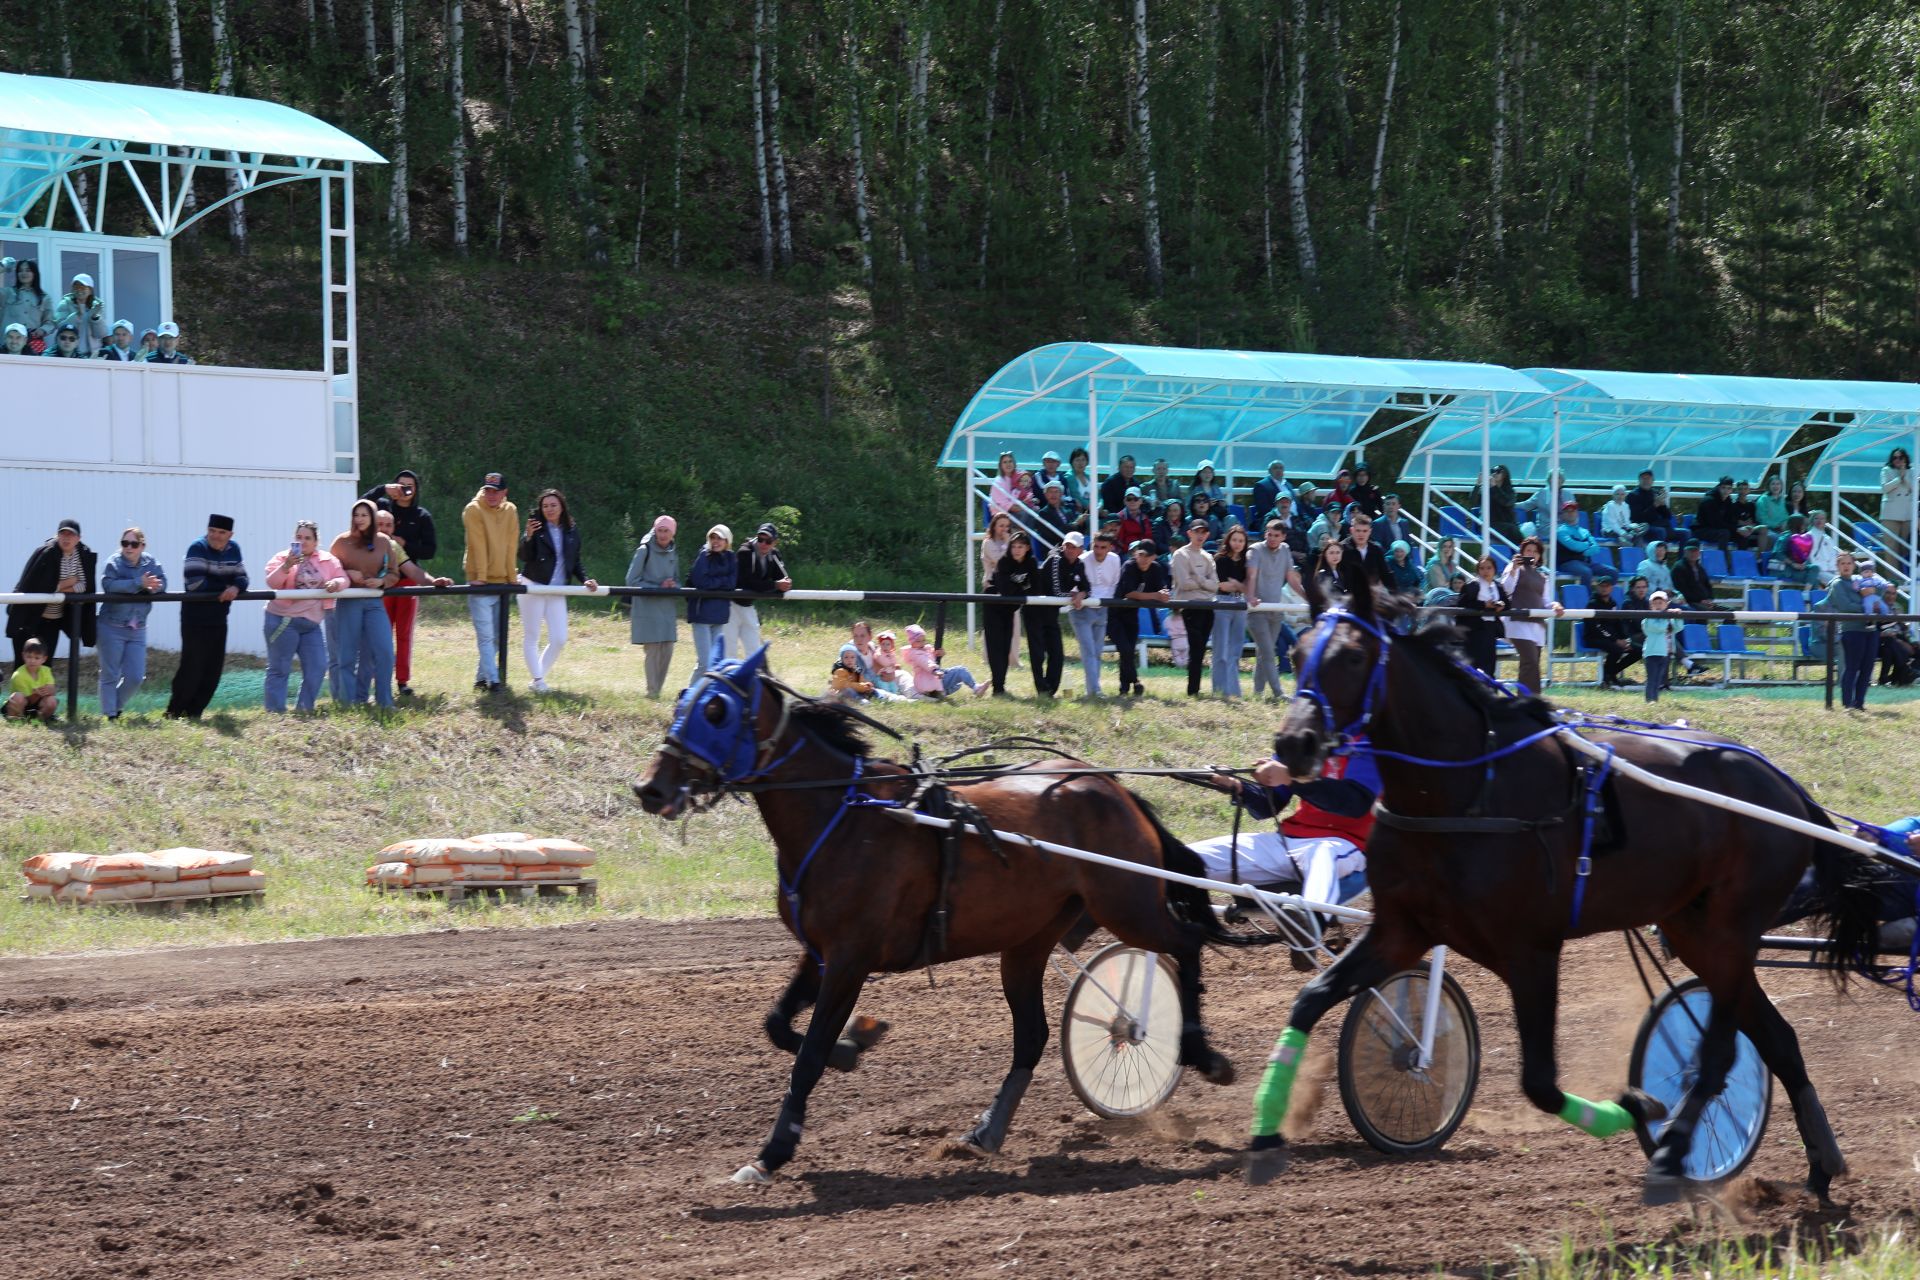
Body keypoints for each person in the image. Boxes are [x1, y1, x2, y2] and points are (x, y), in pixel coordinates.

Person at [1193, 752, 1376, 917]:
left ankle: (1311, 921)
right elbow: (1267, 805)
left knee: (1324, 853)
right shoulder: (1302, 745)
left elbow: (1352, 804)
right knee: (1182, 859)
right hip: (1287, 842)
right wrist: (1240, 787)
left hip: (1345, 845)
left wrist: (1291, 777)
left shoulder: (1374, 750)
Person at [363, 469, 438, 695]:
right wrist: (383, 490)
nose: (405, 490)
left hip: (407, 579)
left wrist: (405, 543)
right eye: (400, 485)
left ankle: (403, 680)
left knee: (404, 633)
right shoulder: (383, 507)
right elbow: (361, 506)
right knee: (379, 632)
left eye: (410, 486)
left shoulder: (422, 516)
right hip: (381, 580)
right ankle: (377, 678)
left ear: (415, 490)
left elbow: (430, 550)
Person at [166, 515, 247, 720]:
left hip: (219, 618)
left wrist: (236, 587)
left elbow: (243, 577)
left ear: (230, 535)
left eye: (221, 532)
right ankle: (175, 712)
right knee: (192, 668)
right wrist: (226, 587)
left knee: (213, 670)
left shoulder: (234, 549)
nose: (216, 536)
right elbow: (195, 583)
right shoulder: (197, 548)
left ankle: (195, 712)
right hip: (195, 619)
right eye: (212, 531)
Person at [261, 521, 348, 714]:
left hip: (311, 623)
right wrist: (286, 566)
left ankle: (304, 708)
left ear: (316, 541)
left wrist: (335, 583)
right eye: (299, 537)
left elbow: (344, 579)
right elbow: (271, 582)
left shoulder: (328, 560)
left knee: (318, 666)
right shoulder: (282, 557)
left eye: (308, 538)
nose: (303, 541)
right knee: (280, 668)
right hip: (283, 620)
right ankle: (275, 713)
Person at [518, 488, 600, 693]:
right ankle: (538, 680)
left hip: (557, 588)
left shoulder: (571, 530)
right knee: (532, 635)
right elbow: (524, 557)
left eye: (553, 505)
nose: (549, 509)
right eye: (545, 506)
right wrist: (527, 536)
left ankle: (537, 680)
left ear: (562, 506)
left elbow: (575, 561)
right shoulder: (535, 527)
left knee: (559, 638)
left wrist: (585, 579)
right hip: (533, 585)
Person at [330, 499, 403, 709]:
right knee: (347, 655)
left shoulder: (383, 542)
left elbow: (394, 573)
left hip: (374, 601)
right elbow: (329, 570)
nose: (359, 519)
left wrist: (381, 582)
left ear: (372, 517)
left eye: (364, 515)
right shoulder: (341, 542)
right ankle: (348, 703)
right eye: (356, 515)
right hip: (349, 601)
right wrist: (346, 573)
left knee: (385, 651)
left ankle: (384, 701)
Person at [97, 527, 166, 720]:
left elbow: (163, 583)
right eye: (124, 543)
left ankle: (114, 707)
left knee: (136, 676)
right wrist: (138, 584)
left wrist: (152, 588)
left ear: (142, 546)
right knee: (110, 673)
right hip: (111, 626)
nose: (129, 547)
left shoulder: (151, 562)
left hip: (138, 628)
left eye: (134, 544)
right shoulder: (113, 563)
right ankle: (110, 715)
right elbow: (109, 585)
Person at [7, 518, 95, 669]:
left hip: (54, 620)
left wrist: (59, 588)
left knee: (45, 667)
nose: (66, 538)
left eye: (71, 534)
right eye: (63, 534)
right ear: (57, 535)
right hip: (30, 619)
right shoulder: (47, 553)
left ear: (78, 538)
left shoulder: (82, 555)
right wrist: (69, 582)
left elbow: (85, 585)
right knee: (23, 666)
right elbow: (41, 586)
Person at [463, 471, 519, 692]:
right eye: (487, 490)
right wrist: (481, 577)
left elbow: (511, 544)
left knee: (496, 637)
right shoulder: (473, 510)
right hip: (480, 582)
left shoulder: (511, 510)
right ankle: (494, 682)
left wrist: (512, 578)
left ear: (504, 492)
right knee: (486, 636)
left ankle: (481, 678)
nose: (491, 495)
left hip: (502, 582)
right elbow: (477, 544)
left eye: (496, 491)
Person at [1246, 519, 1303, 699]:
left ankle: (1257, 693)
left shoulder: (1285, 550)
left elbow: (1292, 579)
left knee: (1264, 653)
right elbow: (1252, 575)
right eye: (1269, 534)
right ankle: (1278, 693)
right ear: (1265, 534)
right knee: (1269, 652)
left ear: (1283, 537)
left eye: (1276, 535)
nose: (1272, 538)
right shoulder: (1255, 549)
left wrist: (1309, 598)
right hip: (1257, 610)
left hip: (1275, 609)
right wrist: (1251, 596)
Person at [625, 515, 681, 697]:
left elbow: (678, 579)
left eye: (667, 531)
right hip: (647, 608)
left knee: (667, 649)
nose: (663, 534)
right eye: (660, 530)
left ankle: (658, 691)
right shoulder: (644, 550)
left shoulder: (674, 551)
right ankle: (651, 692)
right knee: (653, 650)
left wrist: (674, 586)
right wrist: (658, 587)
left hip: (667, 610)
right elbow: (631, 580)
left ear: (673, 533)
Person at [984, 530, 1040, 695]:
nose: (1016, 550)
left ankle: (1001, 685)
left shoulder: (1031, 563)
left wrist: (1020, 589)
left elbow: (1036, 589)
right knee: (996, 647)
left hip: (1010, 608)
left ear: (1028, 548)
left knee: (1006, 647)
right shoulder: (1004, 562)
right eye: (1014, 546)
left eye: (1020, 546)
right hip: (994, 606)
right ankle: (998, 688)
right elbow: (1005, 589)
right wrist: (1023, 588)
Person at [1499, 536, 1557, 693]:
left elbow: (1546, 601)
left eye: (1535, 551)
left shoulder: (1543, 577)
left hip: (1536, 626)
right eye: (1528, 550)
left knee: (1531, 665)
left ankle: (1527, 702)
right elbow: (1506, 589)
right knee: (1530, 662)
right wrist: (1513, 570)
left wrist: (1555, 605)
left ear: (1539, 556)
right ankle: (1530, 702)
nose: (1532, 554)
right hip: (1518, 623)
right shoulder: (1513, 567)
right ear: (1522, 552)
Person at [1113, 540, 1170, 696]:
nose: (1144, 559)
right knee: (1125, 650)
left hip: (1132, 614)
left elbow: (1161, 588)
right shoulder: (1129, 566)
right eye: (1141, 555)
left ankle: (1124, 689)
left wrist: (1164, 594)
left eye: (1148, 556)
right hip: (1115, 615)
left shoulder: (1156, 569)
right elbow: (1129, 593)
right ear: (1136, 554)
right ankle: (1136, 682)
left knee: (1128, 651)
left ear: (1154, 557)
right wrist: (1156, 596)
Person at [1171, 518, 1219, 698]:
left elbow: (1215, 585)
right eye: (1196, 531)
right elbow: (1184, 583)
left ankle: (1195, 689)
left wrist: (1197, 579)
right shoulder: (1180, 555)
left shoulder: (1208, 556)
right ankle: (1193, 690)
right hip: (1189, 606)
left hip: (1207, 605)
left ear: (1207, 534)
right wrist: (1204, 581)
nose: (1200, 535)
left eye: (1203, 532)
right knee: (1196, 647)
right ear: (1189, 533)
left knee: (1200, 650)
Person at [1074, 530, 1122, 696]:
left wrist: (1106, 603)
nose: (1099, 550)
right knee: (1088, 650)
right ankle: (1095, 689)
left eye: (1103, 547)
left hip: (1103, 608)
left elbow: (1115, 584)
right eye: (1096, 546)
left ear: (1110, 548)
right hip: (1083, 609)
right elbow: (1077, 585)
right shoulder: (1082, 560)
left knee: (1096, 650)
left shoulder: (1115, 560)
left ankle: (1092, 689)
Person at [1826, 551, 1874, 711]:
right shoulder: (1837, 584)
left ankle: (1860, 703)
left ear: (1854, 565)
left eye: (1849, 563)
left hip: (1869, 630)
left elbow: (1877, 592)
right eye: (1843, 563)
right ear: (1838, 566)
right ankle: (1848, 703)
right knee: (1852, 667)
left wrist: (1873, 601)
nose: (1846, 566)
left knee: (1867, 669)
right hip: (1851, 630)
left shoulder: (1860, 581)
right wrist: (1867, 608)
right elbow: (1845, 606)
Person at [686, 525, 737, 677]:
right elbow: (701, 582)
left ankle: (703, 697)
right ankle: (689, 698)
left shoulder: (731, 558)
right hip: (701, 615)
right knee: (705, 664)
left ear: (727, 540)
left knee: (714, 665)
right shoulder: (703, 555)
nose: (715, 541)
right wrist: (722, 583)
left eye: (720, 538)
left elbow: (732, 583)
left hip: (719, 616)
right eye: (712, 537)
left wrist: (714, 583)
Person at [1209, 526, 1251, 698]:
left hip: (1240, 604)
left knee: (1235, 649)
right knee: (1220, 649)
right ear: (1228, 540)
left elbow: (1247, 588)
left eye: (1241, 540)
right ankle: (1219, 690)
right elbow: (1222, 585)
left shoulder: (1247, 562)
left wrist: (1238, 585)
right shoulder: (1220, 560)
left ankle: (1234, 691)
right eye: (1234, 540)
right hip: (1222, 603)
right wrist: (1238, 585)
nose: (1237, 544)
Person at [1585, 574, 1640, 689]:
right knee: (1617, 649)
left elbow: (1618, 623)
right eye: (1602, 586)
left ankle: (1611, 673)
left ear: (1612, 588)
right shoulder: (1592, 604)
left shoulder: (1613, 603)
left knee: (1638, 651)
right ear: (1597, 587)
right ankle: (1606, 677)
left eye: (1607, 586)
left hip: (1611, 639)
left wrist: (1625, 639)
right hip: (1594, 638)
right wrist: (1615, 640)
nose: (1604, 588)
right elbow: (1596, 627)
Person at [904, 623, 986, 698]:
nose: (922, 643)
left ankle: (940, 693)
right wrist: (935, 670)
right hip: (929, 682)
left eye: (923, 640)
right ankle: (976, 688)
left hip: (932, 680)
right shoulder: (914, 654)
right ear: (911, 642)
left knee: (957, 681)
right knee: (961, 670)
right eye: (918, 641)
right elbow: (924, 662)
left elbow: (932, 657)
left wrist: (940, 653)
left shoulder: (925, 649)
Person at [1458, 554, 1507, 677]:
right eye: (1482, 568)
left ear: (1494, 569)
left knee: (1489, 665)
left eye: (1489, 568)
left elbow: (1507, 602)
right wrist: (1484, 605)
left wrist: (1502, 605)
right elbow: (1463, 603)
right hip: (1475, 630)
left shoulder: (1498, 586)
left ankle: (1490, 694)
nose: (1485, 571)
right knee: (1474, 666)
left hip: (1490, 629)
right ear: (1478, 570)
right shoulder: (1472, 585)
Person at [1641, 591, 1685, 704]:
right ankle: (1649, 700)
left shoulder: (1667, 619)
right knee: (1651, 678)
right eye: (1655, 603)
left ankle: (1654, 700)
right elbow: (1658, 628)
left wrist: (1677, 616)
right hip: (1651, 653)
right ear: (1650, 605)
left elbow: (1678, 627)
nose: (1658, 605)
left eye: (1661, 602)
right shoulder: (1648, 619)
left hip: (1664, 653)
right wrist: (1667, 617)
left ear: (1667, 604)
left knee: (1658, 680)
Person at [1, 257, 53, 350]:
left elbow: (50, 322)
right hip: (7, 346)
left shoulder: (44, 297)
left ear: (34, 273)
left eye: (28, 270)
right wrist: (2, 267)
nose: (23, 273)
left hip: (31, 347)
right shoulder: (7, 293)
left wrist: (42, 330)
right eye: (20, 270)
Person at [50, 272, 106, 356]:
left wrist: (95, 317)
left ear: (90, 290)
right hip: (69, 354)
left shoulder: (97, 306)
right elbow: (60, 327)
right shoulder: (65, 303)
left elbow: (100, 334)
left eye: (83, 287)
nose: (79, 289)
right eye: (76, 286)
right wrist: (77, 315)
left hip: (91, 355)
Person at [5, 638, 58, 725]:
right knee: (17, 697)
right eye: (29, 657)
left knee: (52, 701)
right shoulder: (18, 675)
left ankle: (38, 720)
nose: (32, 661)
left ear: (44, 659)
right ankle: (16, 719)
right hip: (22, 705)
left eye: (37, 658)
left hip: (36, 705)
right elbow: (27, 700)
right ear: (23, 656)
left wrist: (49, 690)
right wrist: (36, 694)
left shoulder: (46, 671)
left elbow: (52, 690)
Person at [1553, 500, 1598, 586]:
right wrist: (1588, 546)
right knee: (1586, 572)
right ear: (1563, 514)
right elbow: (1574, 546)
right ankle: (1586, 599)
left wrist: (1586, 550)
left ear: (1577, 513)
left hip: (1586, 563)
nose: (1570, 513)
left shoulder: (1584, 531)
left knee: (1612, 572)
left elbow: (1596, 548)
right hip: (1567, 563)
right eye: (1567, 511)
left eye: (1573, 510)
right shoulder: (1560, 531)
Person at [1341, 511, 1390, 585]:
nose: (1361, 534)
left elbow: (1385, 574)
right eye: (1358, 530)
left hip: (1373, 593)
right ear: (1352, 530)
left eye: (1365, 531)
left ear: (1370, 531)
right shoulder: (1342, 549)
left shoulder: (1376, 549)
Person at [1883, 448, 1914, 556]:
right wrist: (1898, 478)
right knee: (1891, 548)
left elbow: (1914, 488)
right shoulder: (1886, 470)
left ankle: (1907, 573)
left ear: (1905, 459)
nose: (1897, 460)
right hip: (1890, 514)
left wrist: (1904, 476)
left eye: (1900, 457)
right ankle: (1892, 573)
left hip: (1907, 514)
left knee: (1907, 547)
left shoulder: (1912, 471)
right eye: (1894, 458)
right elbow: (1885, 488)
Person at [1693, 477, 1741, 547]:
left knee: (1742, 535)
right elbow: (1715, 523)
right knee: (1724, 533)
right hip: (1701, 530)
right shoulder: (1709, 500)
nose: (1726, 491)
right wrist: (1736, 529)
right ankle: (1723, 557)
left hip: (1717, 529)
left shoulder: (1728, 501)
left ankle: (1743, 557)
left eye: (1729, 488)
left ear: (1731, 490)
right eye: (1723, 488)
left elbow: (1731, 519)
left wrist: (1740, 529)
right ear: (1719, 488)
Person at [1626, 470, 1671, 543]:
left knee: (1684, 533)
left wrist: (1663, 505)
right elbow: (1637, 518)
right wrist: (1655, 504)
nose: (1646, 481)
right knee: (1661, 531)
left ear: (1653, 480)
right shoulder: (1633, 495)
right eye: (1643, 478)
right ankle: (1659, 554)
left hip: (1656, 525)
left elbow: (1667, 516)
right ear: (1639, 480)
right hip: (1641, 527)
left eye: (1648, 478)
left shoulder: (1655, 493)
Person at [1516, 469, 1563, 539]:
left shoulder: (1567, 494)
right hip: (1545, 529)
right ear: (1549, 480)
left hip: (1562, 529)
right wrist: (1510, 504)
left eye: (1558, 477)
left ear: (1562, 480)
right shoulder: (1541, 493)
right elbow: (1526, 505)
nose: (1556, 480)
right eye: (1553, 478)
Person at [1672, 539, 1718, 610]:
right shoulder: (1679, 567)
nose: (1693, 553)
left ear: (1699, 552)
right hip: (1689, 602)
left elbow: (1707, 585)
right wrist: (1700, 600)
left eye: (1695, 551)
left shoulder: (1700, 568)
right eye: (1690, 551)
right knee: (1704, 611)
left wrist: (1709, 599)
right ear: (1685, 552)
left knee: (1729, 613)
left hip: (1704, 602)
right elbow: (1682, 590)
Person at [1033, 479, 1076, 551]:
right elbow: (1056, 533)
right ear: (1046, 495)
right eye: (1050, 492)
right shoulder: (1043, 513)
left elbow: (1076, 530)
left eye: (1056, 492)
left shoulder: (1067, 511)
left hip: (1070, 547)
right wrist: (1075, 524)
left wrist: (1081, 522)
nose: (1053, 495)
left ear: (1061, 494)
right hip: (1054, 549)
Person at [989, 451, 1031, 516]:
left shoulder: (1018, 478)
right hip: (1001, 515)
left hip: (1016, 510)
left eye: (1010, 461)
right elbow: (1008, 506)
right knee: (1025, 513)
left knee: (1034, 511)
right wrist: (1024, 505)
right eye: (1005, 462)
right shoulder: (998, 482)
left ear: (1014, 463)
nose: (1008, 464)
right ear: (1000, 465)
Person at [1114, 487, 1153, 553]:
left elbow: (1148, 537)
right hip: (1125, 552)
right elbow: (1118, 541)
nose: (1132, 501)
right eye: (1129, 499)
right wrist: (1132, 551)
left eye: (1136, 499)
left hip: (1143, 551)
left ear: (1141, 501)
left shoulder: (1145, 517)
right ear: (1124, 501)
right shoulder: (1119, 517)